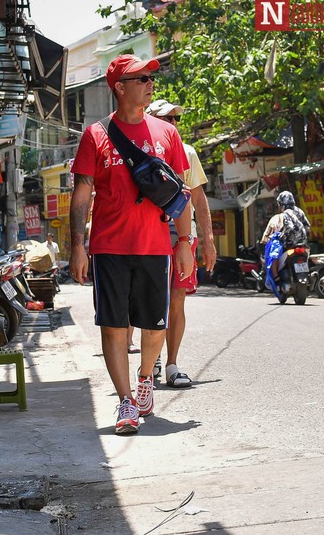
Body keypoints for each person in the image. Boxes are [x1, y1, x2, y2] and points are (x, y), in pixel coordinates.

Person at [68, 54, 193, 435]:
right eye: (140, 78)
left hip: (156, 246)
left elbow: (179, 193)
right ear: (120, 87)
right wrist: (77, 245)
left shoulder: (168, 134)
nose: (149, 83)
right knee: (114, 327)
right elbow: (82, 192)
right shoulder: (96, 134)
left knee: (154, 328)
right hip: (109, 247)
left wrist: (185, 241)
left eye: (149, 77)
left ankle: (144, 380)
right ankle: (125, 401)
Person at [145, 99, 217, 388]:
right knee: (151, 301)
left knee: (177, 298)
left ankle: (172, 363)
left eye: (176, 119)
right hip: (150, 233)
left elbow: (198, 199)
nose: (173, 124)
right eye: (167, 119)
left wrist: (209, 240)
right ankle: (151, 361)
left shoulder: (188, 152)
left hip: (183, 236)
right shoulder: (143, 152)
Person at [260, 190, 310, 294]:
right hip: (303, 244)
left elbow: (289, 228)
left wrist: (283, 237)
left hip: (290, 244)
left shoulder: (286, 214)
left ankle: (277, 281)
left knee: (274, 258)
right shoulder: (300, 211)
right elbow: (308, 226)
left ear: (282, 204)